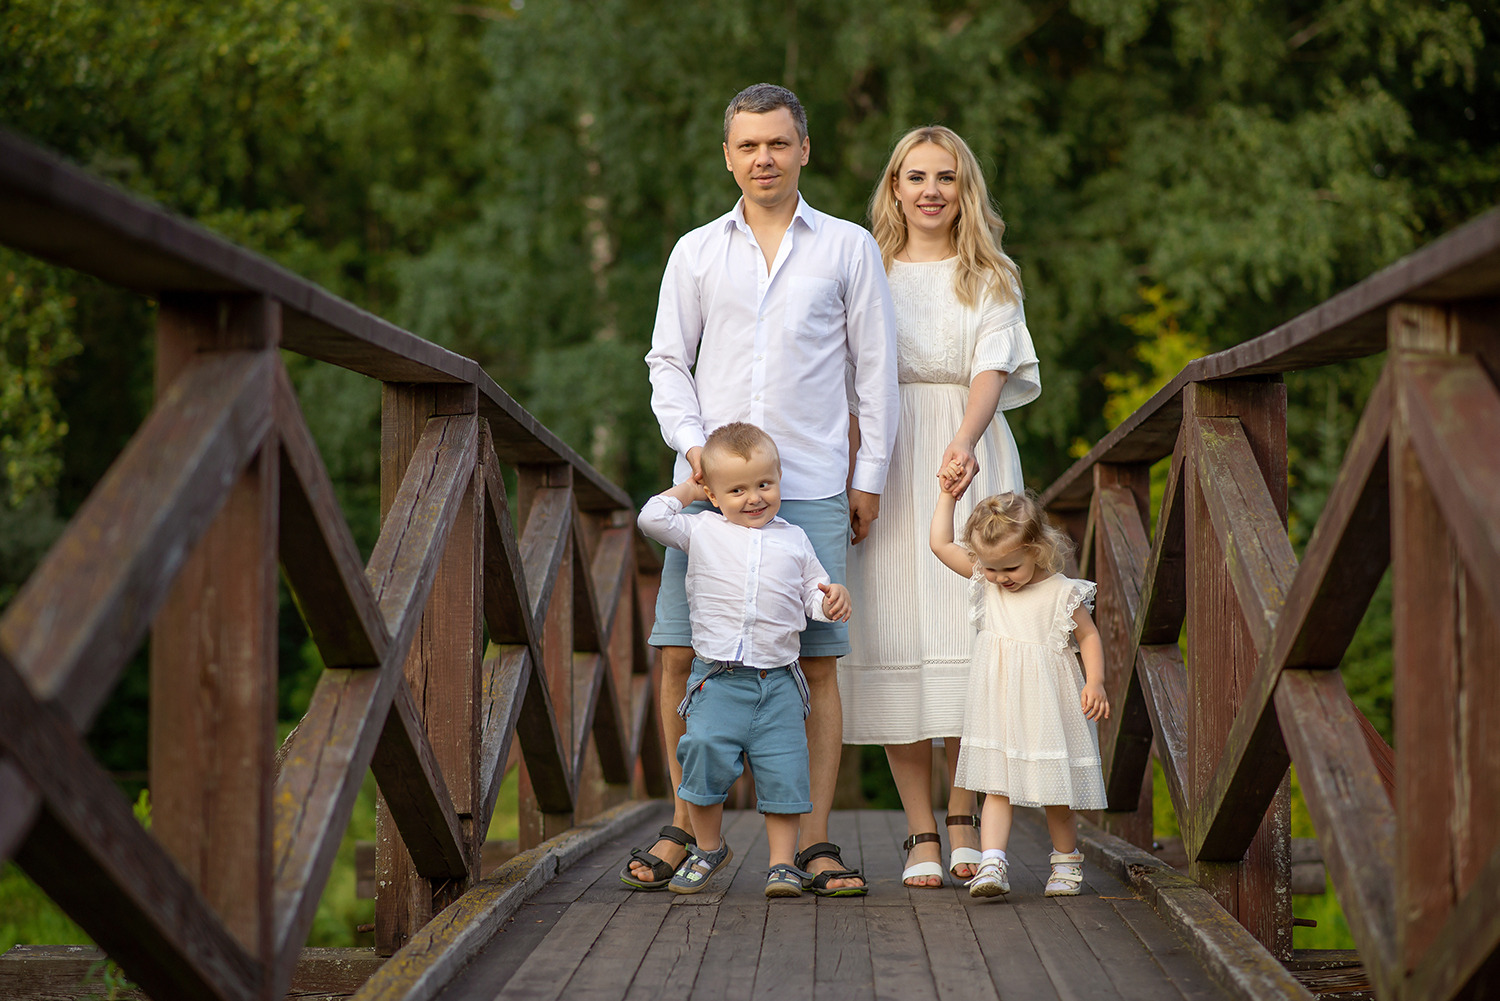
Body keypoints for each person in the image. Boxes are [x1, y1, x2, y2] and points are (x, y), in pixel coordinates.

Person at [625, 83, 898, 895]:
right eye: (748, 145)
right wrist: (692, 452)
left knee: (815, 667)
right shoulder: (696, 250)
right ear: (728, 155)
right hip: (710, 490)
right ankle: (690, 828)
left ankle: (811, 842)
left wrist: (869, 477)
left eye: (778, 143)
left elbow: (875, 370)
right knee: (680, 654)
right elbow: (666, 360)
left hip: (811, 483)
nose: (763, 158)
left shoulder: (847, 247)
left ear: (803, 148)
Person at [838, 125, 1040, 887]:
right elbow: (855, 375)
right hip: (889, 455)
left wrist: (963, 441)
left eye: (945, 178)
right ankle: (919, 827)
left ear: (965, 189)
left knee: (972, 627)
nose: (930, 190)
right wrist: (861, 471)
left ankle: (963, 814)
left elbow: (991, 365)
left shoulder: (990, 273)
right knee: (895, 628)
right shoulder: (870, 269)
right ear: (894, 187)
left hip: (972, 447)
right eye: (915, 176)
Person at [632, 423, 852, 897]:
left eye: (764, 485)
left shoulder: (794, 539)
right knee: (702, 755)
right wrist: (687, 488)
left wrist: (830, 599)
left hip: (779, 683)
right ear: (712, 494)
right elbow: (651, 518)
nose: (753, 498)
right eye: (736, 489)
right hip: (717, 680)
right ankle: (708, 847)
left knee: (785, 771)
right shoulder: (700, 529)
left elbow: (811, 594)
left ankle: (781, 864)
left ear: (778, 482)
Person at [928, 488, 1109, 898]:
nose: (998, 578)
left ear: (1036, 549)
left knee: (1055, 790)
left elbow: (1089, 635)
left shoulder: (1062, 591)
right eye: (990, 569)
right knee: (995, 784)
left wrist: (1094, 681)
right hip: (997, 702)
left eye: (1009, 567)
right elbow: (940, 544)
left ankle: (1066, 861)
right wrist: (946, 496)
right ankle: (992, 862)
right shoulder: (987, 579)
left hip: (1047, 703)